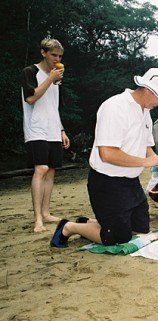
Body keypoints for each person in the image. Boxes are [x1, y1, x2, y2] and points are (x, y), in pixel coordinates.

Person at [50, 68, 158, 248]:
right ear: (148, 90)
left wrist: (155, 157)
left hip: (131, 182)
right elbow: (107, 153)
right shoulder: (115, 107)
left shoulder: (145, 110)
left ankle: (91, 223)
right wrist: (144, 162)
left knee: (141, 229)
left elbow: (145, 145)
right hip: (107, 183)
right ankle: (69, 227)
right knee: (117, 237)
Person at [21, 38, 70, 233]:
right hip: (36, 128)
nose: (56, 59)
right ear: (43, 53)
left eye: (59, 56)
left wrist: (61, 130)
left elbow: (53, 107)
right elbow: (31, 98)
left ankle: (47, 212)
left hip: (52, 129)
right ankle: (38, 219)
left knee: (51, 171)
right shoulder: (30, 72)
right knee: (40, 168)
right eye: (53, 55)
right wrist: (50, 79)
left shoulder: (56, 76)